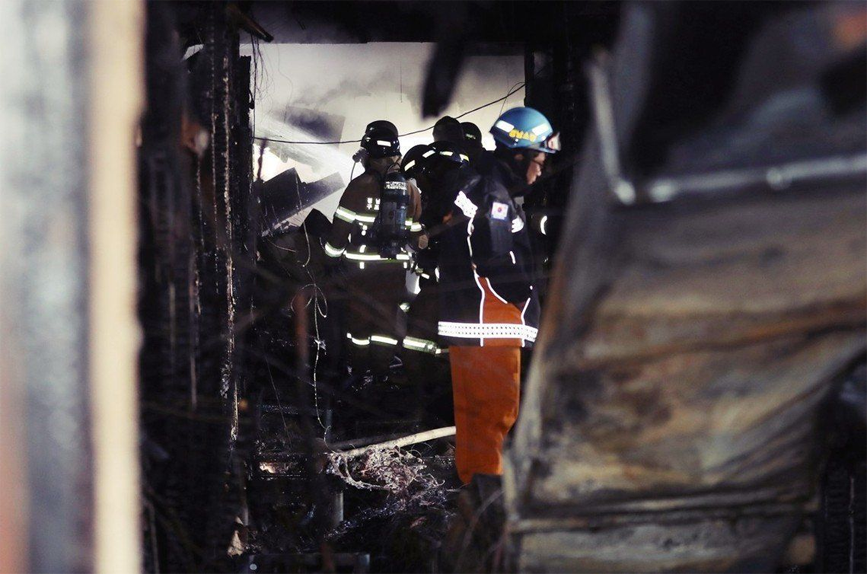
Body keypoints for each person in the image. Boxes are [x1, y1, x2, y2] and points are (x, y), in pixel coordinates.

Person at [436, 107, 559, 484]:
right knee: (494, 419)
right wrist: (530, 300)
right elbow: (496, 261)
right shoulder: (495, 197)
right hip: (491, 326)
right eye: (539, 158)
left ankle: (476, 491)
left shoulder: (481, 185)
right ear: (517, 154)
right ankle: (488, 505)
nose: (541, 169)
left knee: (479, 421)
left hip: (478, 326)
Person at [324, 124, 423, 381]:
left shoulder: (358, 187)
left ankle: (358, 377)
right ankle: (380, 380)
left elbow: (338, 233)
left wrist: (330, 260)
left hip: (361, 275)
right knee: (386, 330)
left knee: (358, 331)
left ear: (368, 152)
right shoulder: (411, 191)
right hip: (394, 274)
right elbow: (416, 234)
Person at [400, 142, 470, 425]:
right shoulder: (456, 191)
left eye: (420, 176)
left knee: (418, 340)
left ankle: (425, 406)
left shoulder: (447, 199)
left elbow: (431, 240)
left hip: (445, 288)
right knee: (439, 346)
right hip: (454, 289)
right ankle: (438, 405)